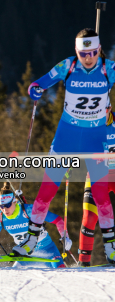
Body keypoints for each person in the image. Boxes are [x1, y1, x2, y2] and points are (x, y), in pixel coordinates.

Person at [12, 28, 115, 261]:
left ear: (99, 49)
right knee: (47, 190)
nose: (88, 58)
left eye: (92, 52)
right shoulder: (67, 66)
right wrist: (35, 90)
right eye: (83, 53)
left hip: (94, 140)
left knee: (101, 195)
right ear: (76, 52)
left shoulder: (109, 69)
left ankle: (111, 246)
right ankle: (30, 241)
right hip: (66, 137)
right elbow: (39, 83)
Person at [0, 183, 70, 268]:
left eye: (8, 205)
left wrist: (65, 237)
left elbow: (58, 220)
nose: (5, 210)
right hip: (24, 254)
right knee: (14, 277)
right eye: (1, 206)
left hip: (48, 250)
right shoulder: (0, 217)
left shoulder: (30, 210)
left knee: (62, 274)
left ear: (14, 201)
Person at [78, 109, 115, 266]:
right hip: (96, 176)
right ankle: (83, 262)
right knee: (89, 217)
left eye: (103, 112)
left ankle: (112, 253)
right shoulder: (87, 126)